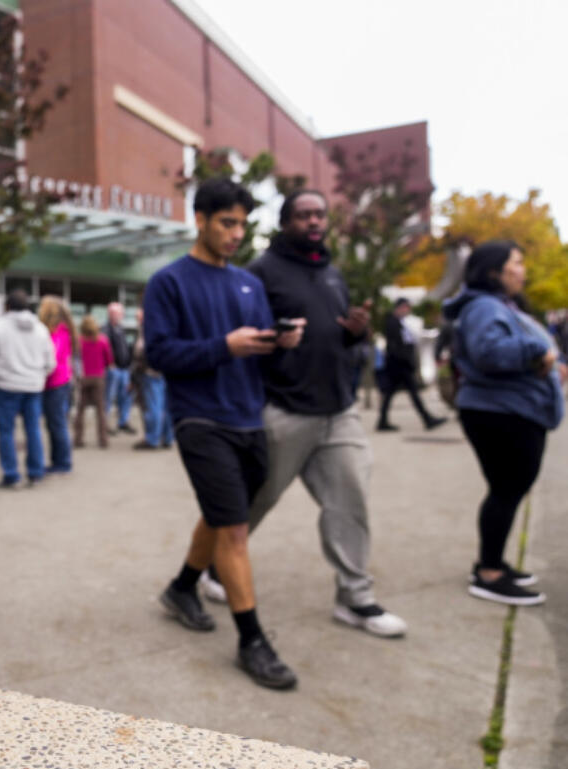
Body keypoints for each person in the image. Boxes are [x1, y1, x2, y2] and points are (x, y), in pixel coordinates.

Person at [203, 189, 407, 638]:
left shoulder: (332, 273)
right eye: (304, 215)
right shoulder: (260, 273)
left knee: (350, 500)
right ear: (286, 222)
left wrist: (355, 334)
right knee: (256, 500)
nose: (314, 221)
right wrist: (274, 342)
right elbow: (244, 340)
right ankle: (216, 569)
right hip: (283, 409)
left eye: (320, 214)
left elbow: (331, 337)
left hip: (339, 411)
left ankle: (356, 599)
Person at [145, 177, 304, 690]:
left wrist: (280, 342)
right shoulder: (168, 282)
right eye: (227, 223)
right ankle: (252, 640)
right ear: (201, 220)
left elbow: (252, 346)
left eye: (242, 224)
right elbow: (160, 354)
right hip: (199, 417)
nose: (236, 233)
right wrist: (223, 347)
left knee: (222, 514)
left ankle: (182, 587)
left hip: (248, 417)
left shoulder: (249, 284)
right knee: (234, 527)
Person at [443, 240, 563, 605]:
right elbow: (490, 353)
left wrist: (551, 365)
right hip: (501, 412)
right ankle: (489, 573)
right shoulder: (484, 306)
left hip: (509, 409)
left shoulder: (499, 306)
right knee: (506, 490)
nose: (522, 270)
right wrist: (538, 351)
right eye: (517, 263)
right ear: (495, 271)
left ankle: (491, 562)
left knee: (507, 490)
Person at [0, 290, 55, 488]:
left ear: (7, 306)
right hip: (33, 386)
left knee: (6, 432)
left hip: (6, 386)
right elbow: (51, 361)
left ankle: (11, 475)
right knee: (33, 430)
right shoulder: (40, 329)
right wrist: (39, 376)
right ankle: (36, 473)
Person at [377, 298, 447, 431]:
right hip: (399, 365)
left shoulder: (400, 322)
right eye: (406, 307)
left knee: (392, 393)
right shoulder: (392, 322)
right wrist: (405, 360)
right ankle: (427, 419)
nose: (407, 310)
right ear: (400, 307)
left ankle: (383, 421)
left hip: (400, 364)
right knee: (411, 392)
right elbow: (395, 346)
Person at [38, 296, 76, 474]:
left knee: (58, 423)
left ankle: (63, 463)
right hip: (57, 382)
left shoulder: (58, 332)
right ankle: (58, 461)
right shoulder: (62, 331)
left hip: (56, 383)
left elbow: (52, 357)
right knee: (55, 424)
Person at [132, 307, 173, 450]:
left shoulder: (148, 329)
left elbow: (141, 349)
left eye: (139, 317)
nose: (137, 320)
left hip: (152, 372)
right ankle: (167, 438)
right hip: (165, 372)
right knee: (165, 407)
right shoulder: (167, 324)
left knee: (154, 407)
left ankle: (153, 439)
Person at [74, 314, 112, 448]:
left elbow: (75, 359)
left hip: (84, 377)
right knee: (100, 410)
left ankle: (78, 439)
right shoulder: (102, 340)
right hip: (98, 377)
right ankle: (103, 440)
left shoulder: (79, 341)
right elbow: (109, 360)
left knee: (80, 410)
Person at [104, 303, 136, 433]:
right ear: (110, 314)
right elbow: (105, 349)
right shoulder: (106, 329)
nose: (119, 316)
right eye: (116, 313)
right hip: (114, 369)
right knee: (109, 397)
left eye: (120, 313)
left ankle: (123, 421)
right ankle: (105, 424)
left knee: (126, 396)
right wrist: (110, 364)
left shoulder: (120, 329)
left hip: (125, 369)